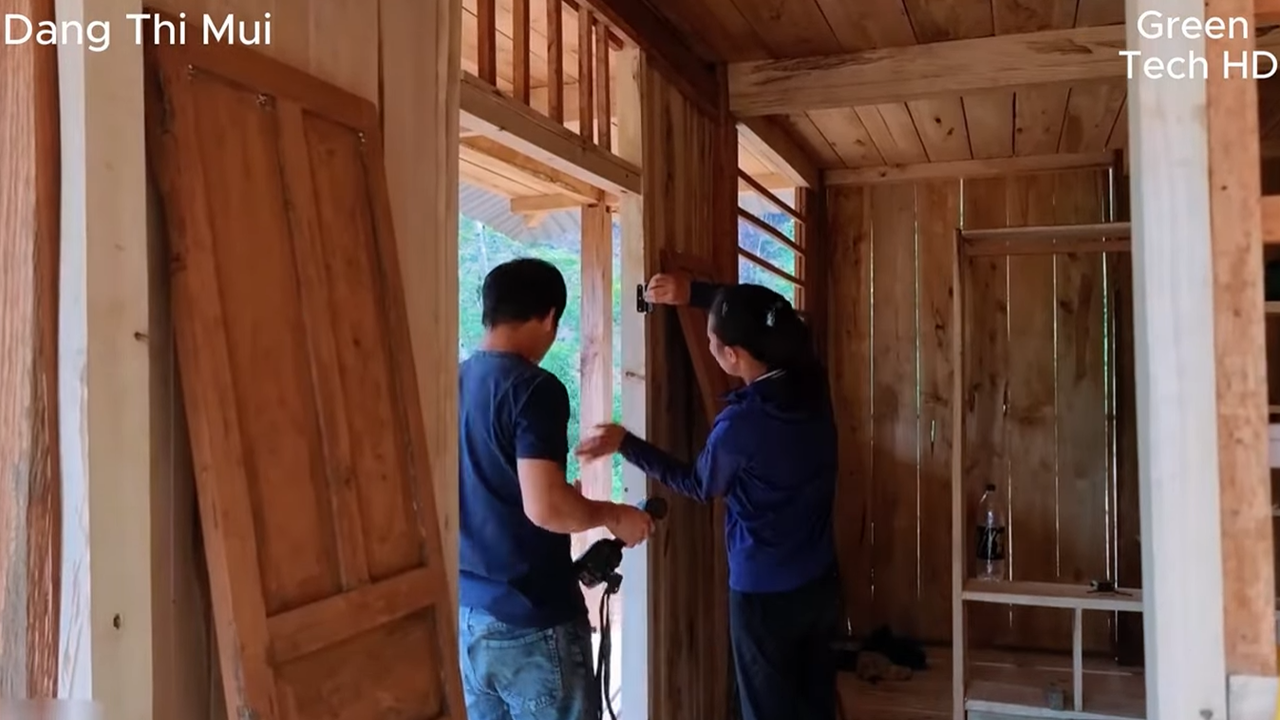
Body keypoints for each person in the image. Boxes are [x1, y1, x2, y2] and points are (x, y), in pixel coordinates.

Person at [576, 272, 841, 720]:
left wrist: (626, 443)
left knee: (767, 708)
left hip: (765, 594)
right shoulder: (809, 377)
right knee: (813, 698)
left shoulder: (742, 426)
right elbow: (763, 312)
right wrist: (693, 294)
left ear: (732, 357)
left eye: (712, 340)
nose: (710, 344)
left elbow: (700, 484)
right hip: (819, 579)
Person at [458, 258, 655, 720]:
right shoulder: (533, 388)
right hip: (529, 619)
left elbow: (493, 486)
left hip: (467, 618)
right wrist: (612, 514)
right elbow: (546, 506)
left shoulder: (453, 381)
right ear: (549, 317)